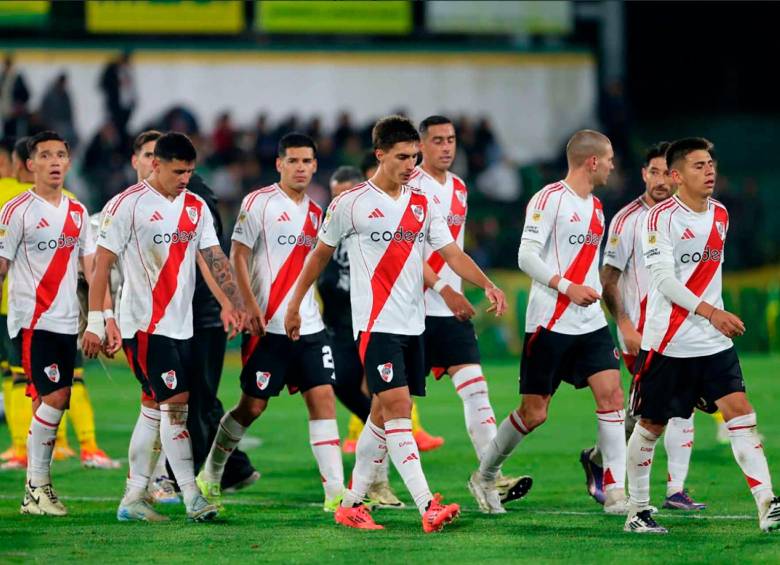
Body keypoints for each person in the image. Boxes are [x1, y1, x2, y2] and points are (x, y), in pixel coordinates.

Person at [285, 115, 507, 532]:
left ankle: (352, 502)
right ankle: (427, 505)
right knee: (399, 408)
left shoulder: (422, 204)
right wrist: (295, 304)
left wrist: (487, 285)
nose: (410, 165)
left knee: (382, 415)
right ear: (380, 154)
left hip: (413, 324)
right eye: (403, 156)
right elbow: (318, 256)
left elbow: (453, 253)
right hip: (375, 324)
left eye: (414, 157)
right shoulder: (350, 204)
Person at [84, 132, 244, 523]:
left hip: (181, 326)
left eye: (190, 170)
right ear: (155, 164)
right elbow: (100, 266)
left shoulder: (195, 207)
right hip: (143, 325)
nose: (185, 178)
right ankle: (192, 496)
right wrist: (96, 321)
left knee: (155, 408)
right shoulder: (126, 206)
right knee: (176, 405)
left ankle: (133, 497)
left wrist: (234, 303)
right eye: (178, 171)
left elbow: (212, 256)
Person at [624, 137, 780, 534]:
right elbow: (663, 280)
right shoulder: (659, 219)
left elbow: (708, 278)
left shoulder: (722, 214)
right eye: (698, 165)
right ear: (676, 176)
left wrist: (714, 317)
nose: (709, 170)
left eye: (710, 163)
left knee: (741, 413)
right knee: (650, 428)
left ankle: (767, 504)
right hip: (668, 343)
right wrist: (712, 312)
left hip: (712, 343)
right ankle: (638, 511)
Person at [469, 130, 628, 515]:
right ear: (591, 161)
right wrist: (566, 286)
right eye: (607, 158)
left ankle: (617, 493)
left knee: (612, 396)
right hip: (550, 321)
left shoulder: (596, 207)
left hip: (589, 322)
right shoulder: (549, 198)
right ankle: (485, 475)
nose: (611, 165)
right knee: (534, 413)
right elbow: (525, 255)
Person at [196, 133, 345, 513]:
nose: (300, 168)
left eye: (307, 162)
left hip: (309, 325)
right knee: (252, 407)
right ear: (279, 163)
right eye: (293, 161)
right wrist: (247, 304)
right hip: (267, 327)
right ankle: (211, 473)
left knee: (323, 399)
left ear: (315, 166)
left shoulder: (318, 213)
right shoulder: (258, 203)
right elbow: (238, 255)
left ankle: (336, 494)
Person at [408, 115, 530, 506]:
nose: (447, 147)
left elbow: (453, 250)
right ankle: (370, 483)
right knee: (390, 408)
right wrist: (444, 289)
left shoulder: (459, 188)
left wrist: (486, 285)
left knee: (477, 390)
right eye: (438, 140)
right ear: (421, 146)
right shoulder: (410, 187)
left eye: (452, 140)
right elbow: (407, 253)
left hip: (450, 312)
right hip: (410, 311)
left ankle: (489, 477)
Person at [580, 142, 705, 511]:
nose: (661, 180)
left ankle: (675, 490)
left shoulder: (688, 216)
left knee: (678, 406)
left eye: (667, 172)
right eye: (654, 172)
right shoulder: (627, 220)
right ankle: (603, 464)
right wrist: (625, 325)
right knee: (647, 413)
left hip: (682, 331)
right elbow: (608, 278)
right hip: (642, 332)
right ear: (643, 174)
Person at [1, 137, 116, 471]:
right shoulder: (15, 209)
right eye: (45, 156)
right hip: (31, 320)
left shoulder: (77, 211)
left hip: (68, 320)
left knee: (60, 396)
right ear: (30, 164)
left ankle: (45, 475)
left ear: (68, 163)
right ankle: (35, 484)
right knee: (44, 396)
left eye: (61, 155)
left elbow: (93, 269)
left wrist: (103, 317)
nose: (54, 162)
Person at [318, 165, 403, 508]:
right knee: (346, 386)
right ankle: (380, 458)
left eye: (346, 194)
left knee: (381, 399)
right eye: (335, 195)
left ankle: (377, 482)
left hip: (374, 322)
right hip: (338, 328)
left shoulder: (377, 227)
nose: (340, 202)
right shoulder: (328, 231)